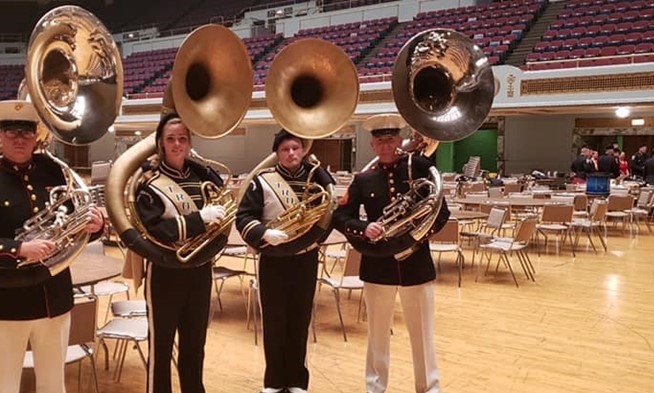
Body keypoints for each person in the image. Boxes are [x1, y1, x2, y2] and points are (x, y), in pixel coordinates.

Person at [0, 100, 105, 393]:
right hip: (8, 300)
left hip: (54, 297)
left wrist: (96, 227)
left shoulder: (55, 174)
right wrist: (19, 250)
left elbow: (77, 222)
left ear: (36, 136)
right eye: (12, 133)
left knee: (53, 384)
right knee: (1, 384)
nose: (19, 139)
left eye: (26, 133)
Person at [333, 114, 450, 393]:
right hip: (378, 266)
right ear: (372, 145)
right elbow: (341, 216)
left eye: (390, 140)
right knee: (377, 334)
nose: (385, 146)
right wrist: (364, 228)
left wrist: (414, 237)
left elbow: (440, 213)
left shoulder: (420, 168)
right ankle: (375, 387)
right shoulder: (363, 179)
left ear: (399, 141)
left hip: (416, 263)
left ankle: (429, 388)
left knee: (423, 334)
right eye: (379, 141)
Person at [236, 130, 335, 393]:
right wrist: (263, 232)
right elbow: (244, 218)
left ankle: (297, 380)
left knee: (300, 318)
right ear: (277, 154)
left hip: (306, 258)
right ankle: (274, 380)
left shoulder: (317, 178)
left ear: (302, 150)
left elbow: (329, 214)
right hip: (273, 260)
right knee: (274, 319)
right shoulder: (262, 181)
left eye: (295, 148)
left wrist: (314, 240)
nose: (291, 154)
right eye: (285, 150)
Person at [135, 113, 226, 393]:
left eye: (182, 139)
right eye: (171, 139)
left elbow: (221, 219)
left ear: (189, 143)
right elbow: (156, 230)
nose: (177, 144)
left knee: (195, 344)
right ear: (161, 143)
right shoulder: (149, 185)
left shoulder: (202, 179)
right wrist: (200, 220)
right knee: (161, 347)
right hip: (164, 272)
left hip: (199, 270)